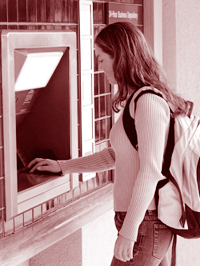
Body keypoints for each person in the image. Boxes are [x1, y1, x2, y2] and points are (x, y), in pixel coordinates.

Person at [28, 22, 189, 266]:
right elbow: (117, 156)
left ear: (120, 57)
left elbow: (150, 170)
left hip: (146, 222)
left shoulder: (147, 102)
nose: (99, 67)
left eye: (102, 59)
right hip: (144, 222)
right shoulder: (136, 100)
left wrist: (129, 230)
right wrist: (63, 166)